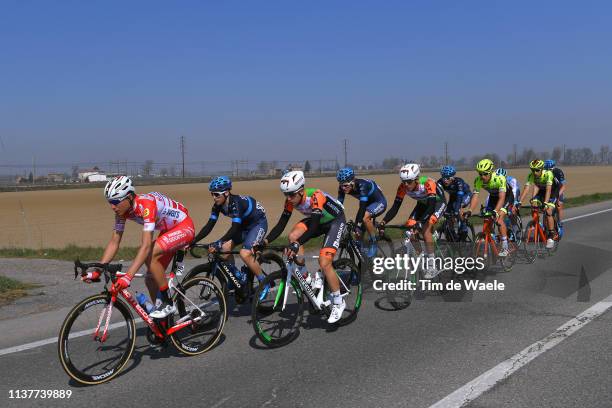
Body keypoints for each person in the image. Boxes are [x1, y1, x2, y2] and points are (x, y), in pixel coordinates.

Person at [83, 176, 195, 319]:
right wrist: (98, 270)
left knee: (150, 254)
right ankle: (164, 321)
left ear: (129, 197)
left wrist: (128, 277)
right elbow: (114, 242)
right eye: (110, 202)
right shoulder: (122, 212)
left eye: (116, 202)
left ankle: (167, 303)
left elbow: (146, 245)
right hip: (168, 230)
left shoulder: (146, 206)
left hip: (184, 226)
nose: (112, 207)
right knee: (150, 279)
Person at [264, 171, 347, 324]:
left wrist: (297, 244)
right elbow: (281, 224)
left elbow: (314, 226)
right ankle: (306, 277)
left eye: (291, 194)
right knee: (293, 237)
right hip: (320, 221)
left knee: (324, 262)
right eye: (285, 195)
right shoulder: (290, 200)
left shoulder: (315, 196)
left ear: (301, 191)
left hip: (335, 221)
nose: (288, 199)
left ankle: (338, 301)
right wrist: (265, 241)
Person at [192, 176, 268, 296]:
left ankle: (264, 282)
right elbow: (209, 226)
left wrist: (220, 241)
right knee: (224, 249)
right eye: (212, 194)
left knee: (245, 253)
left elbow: (235, 228)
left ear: (226, 193)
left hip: (257, 224)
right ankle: (235, 278)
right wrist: (194, 240)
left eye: (217, 194)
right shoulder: (217, 206)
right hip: (244, 226)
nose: (214, 197)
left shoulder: (236, 203)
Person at [379, 163, 447, 278]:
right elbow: (395, 207)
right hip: (422, 204)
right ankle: (421, 256)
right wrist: (383, 222)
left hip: (437, 203)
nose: (406, 184)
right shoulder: (402, 187)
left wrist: (420, 223)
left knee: (425, 229)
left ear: (416, 179)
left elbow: (431, 207)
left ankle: (432, 266)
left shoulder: (426, 183)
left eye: (409, 182)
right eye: (403, 181)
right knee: (409, 227)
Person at [462, 159, 514, 257]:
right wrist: (470, 210)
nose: (482, 176)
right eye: (480, 174)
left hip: (507, 197)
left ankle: (505, 245)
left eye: (485, 174)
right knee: (487, 220)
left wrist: (496, 211)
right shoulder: (478, 180)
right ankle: (491, 243)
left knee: (499, 219)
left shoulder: (499, 179)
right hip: (493, 198)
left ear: (491, 172)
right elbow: (475, 197)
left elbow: (502, 198)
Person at [336, 167, 387, 257]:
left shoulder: (362, 185)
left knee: (364, 218)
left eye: (345, 185)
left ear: (352, 182)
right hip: (368, 205)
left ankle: (374, 242)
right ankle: (365, 258)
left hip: (379, 202)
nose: (343, 188)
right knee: (357, 234)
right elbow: (338, 206)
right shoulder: (342, 188)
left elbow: (362, 206)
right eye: (341, 185)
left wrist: (358, 224)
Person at [519, 159, 561, 249]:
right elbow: (526, 189)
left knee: (548, 210)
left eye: (537, 170)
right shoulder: (531, 175)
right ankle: (537, 223)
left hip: (553, 191)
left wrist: (546, 203)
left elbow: (549, 190)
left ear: (542, 169)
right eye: (532, 170)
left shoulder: (548, 174)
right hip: (542, 190)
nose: (535, 172)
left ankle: (552, 234)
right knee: (533, 204)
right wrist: (519, 202)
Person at [438, 165, 472, 238]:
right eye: (443, 177)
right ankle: (451, 230)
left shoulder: (459, 182)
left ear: (452, 177)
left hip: (465, 195)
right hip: (453, 197)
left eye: (447, 178)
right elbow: (438, 196)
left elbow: (459, 198)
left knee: (457, 209)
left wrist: (457, 210)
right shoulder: (440, 182)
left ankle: (464, 229)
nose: (445, 180)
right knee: (447, 213)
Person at [544, 159, 566, 234]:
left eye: (550, 169)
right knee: (545, 207)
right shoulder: (544, 174)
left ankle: (560, 223)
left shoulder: (558, 172)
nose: (549, 171)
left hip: (558, 190)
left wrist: (557, 196)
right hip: (549, 191)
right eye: (547, 169)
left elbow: (563, 187)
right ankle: (545, 226)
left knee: (559, 205)